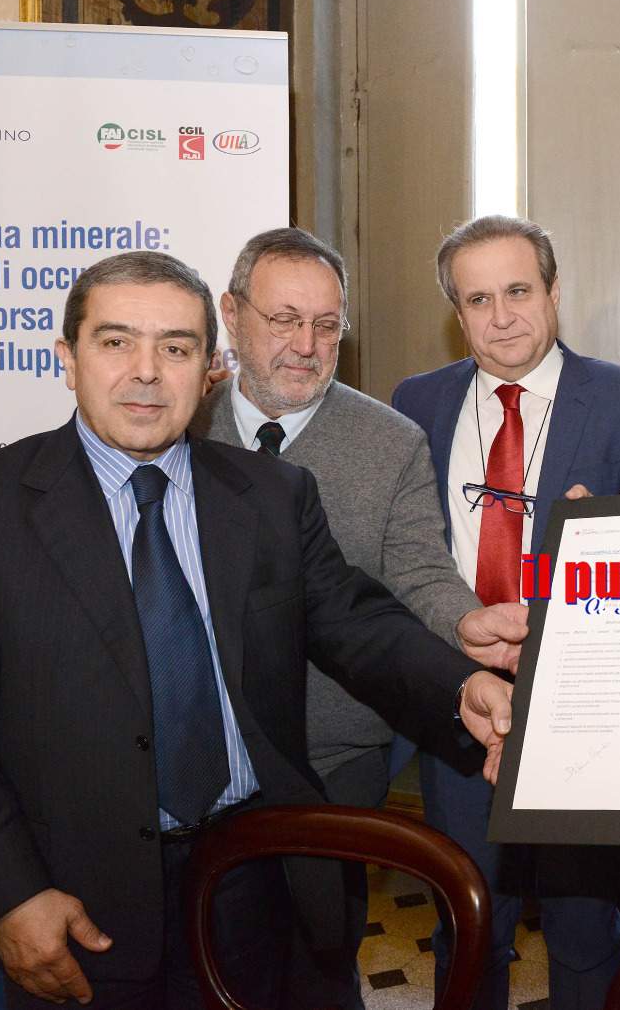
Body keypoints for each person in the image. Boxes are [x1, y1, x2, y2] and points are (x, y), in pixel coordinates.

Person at [0, 250, 514, 1009]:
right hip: (76, 897)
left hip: (251, 878)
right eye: (116, 342)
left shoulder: (270, 493)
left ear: (210, 364)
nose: (148, 372)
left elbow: (356, 618)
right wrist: (9, 894)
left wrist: (461, 685)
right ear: (68, 358)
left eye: (177, 348)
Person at [191, 227, 522, 1008]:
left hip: (335, 746)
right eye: (284, 320)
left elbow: (417, 570)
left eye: (327, 325)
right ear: (232, 315)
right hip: (202, 744)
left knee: (319, 947)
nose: (307, 346)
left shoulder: (391, 441)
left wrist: (464, 625)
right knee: (208, 947)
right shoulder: (178, 425)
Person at [390, 214, 620, 1010]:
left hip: (582, 703)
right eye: (478, 300)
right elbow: (405, 551)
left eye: (518, 291)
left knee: (583, 928)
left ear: (553, 291)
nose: (501, 317)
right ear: (456, 312)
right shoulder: (416, 402)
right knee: (468, 920)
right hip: (462, 700)